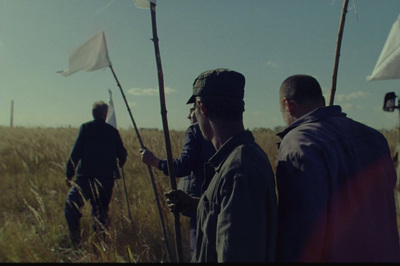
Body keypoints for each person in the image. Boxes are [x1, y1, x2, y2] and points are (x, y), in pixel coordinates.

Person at [276, 74, 400, 262]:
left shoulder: (299, 144)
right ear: (323, 101)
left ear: (287, 105)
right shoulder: (376, 138)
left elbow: (303, 235)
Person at [165, 68, 278, 262]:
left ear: (201, 106)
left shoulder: (238, 169)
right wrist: (198, 205)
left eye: (194, 109)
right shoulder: (238, 159)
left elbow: (235, 253)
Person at [139, 105, 216, 256]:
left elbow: (183, 166)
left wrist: (154, 161)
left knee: (199, 250)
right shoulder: (223, 131)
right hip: (217, 201)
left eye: (192, 110)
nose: (189, 116)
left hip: (198, 202)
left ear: (202, 109)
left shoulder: (195, 130)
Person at [64, 101, 127, 247]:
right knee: (101, 213)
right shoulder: (112, 132)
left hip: (85, 179)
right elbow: (122, 154)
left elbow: (76, 153)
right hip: (106, 179)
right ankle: (100, 246)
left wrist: (69, 174)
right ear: (105, 114)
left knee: (71, 205)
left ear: (93, 113)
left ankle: (75, 240)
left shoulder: (85, 128)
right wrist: (117, 166)